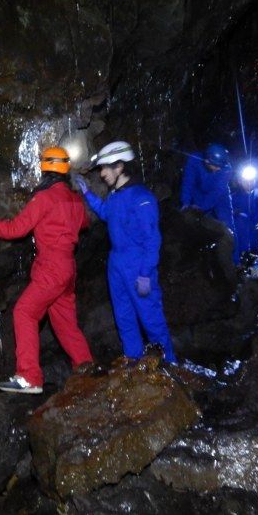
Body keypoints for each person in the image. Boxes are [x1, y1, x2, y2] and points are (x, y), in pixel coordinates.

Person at [0, 146, 93, 394]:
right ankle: (87, 369)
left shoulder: (45, 198)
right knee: (66, 325)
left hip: (52, 268)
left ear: (46, 168)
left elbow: (17, 229)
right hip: (68, 268)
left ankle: (29, 377)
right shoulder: (75, 199)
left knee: (24, 312)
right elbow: (85, 224)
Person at [74, 141, 177, 365]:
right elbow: (106, 214)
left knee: (151, 319)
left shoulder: (142, 199)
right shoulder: (115, 196)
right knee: (124, 317)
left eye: (105, 168)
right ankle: (133, 360)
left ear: (119, 166)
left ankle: (169, 365)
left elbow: (152, 241)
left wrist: (145, 273)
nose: (101, 174)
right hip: (117, 265)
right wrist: (87, 194)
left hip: (137, 266)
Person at [179, 143, 236, 234]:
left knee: (227, 225)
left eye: (220, 167)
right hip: (198, 191)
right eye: (216, 166)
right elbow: (188, 181)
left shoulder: (226, 169)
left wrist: (202, 206)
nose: (218, 169)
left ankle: (233, 246)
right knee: (199, 223)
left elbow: (216, 192)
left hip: (221, 195)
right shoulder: (194, 160)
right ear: (207, 161)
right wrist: (186, 202)